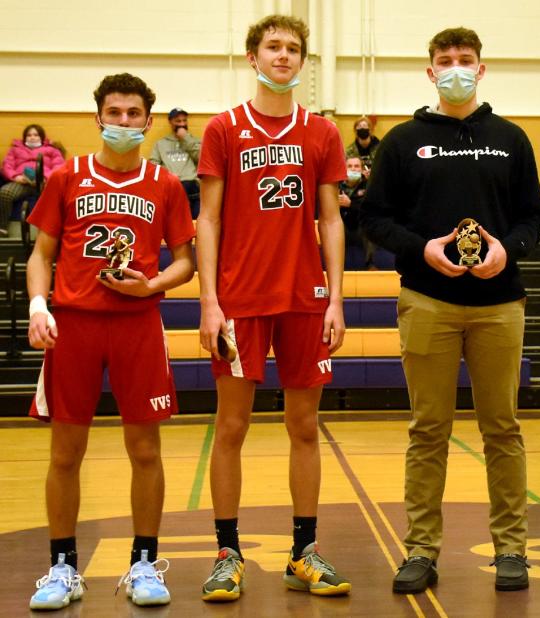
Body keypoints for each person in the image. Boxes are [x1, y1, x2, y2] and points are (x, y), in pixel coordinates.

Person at [360, 26, 540, 594]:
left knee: (503, 430)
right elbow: (374, 219)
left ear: (482, 69)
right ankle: (420, 551)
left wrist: (505, 251)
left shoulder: (511, 139)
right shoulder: (401, 141)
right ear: (431, 71)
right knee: (427, 431)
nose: (456, 68)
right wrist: (423, 250)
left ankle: (511, 548)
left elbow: (533, 219)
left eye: (466, 59)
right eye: (445, 60)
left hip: (498, 304)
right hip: (427, 301)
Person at [24, 73, 196, 610]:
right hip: (73, 324)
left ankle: (143, 563)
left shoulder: (164, 183)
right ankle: (62, 569)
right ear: (98, 115)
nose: (123, 121)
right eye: (114, 112)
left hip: (137, 326)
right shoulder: (67, 176)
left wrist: (154, 283)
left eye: (133, 113)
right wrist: (37, 306)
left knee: (145, 450)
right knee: (64, 453)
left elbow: (186, 261)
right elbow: (41, 254)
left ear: (148, 119)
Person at [195, 14, 349, 602]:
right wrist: (209, 302)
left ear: (303, 63)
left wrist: (336, 297)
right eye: (272, 47)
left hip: (305, 300)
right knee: (230, 427)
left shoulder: (322, 132)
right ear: (252, 57)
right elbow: (206, 220)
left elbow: (330, 219)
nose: (283, 56)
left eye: (292, 49)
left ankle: (303, 552)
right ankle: (227, 553)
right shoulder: (223, 128)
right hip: (239, 299)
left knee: (304, 426)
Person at [1, 124, 65, 235]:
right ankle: (2, 228)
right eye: (29, 135)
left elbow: (59, 166)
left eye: (35, 135)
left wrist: (45, 178)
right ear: (24, 137)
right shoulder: (14, 150)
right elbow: (7, 166)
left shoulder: (52, 150)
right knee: (4, 193)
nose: (32, 137)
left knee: (57, 196)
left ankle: (52, 231)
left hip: (44, 183)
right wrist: (16, 177)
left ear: (41, 137)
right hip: (21, 182)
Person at [150, 108, 201, 217]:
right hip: (172, 185)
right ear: (170, 122)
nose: (182, 124)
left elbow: (202, 159)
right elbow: (153, 165)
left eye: (184, 120)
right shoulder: (161, 144)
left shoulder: (195, 141)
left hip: (192, 186)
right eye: (178, 121)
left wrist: (185, 138)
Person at [338, 155, 377, 269]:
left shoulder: (369, 185)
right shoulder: (336, 186)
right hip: (343, 226)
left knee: (371, 224)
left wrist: (350, 204)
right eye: (349, 166)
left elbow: (370, 208)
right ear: (343, 169)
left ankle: (370, 264)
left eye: (356, 166)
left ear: (362, 170)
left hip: (361, 226)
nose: (353, 169)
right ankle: (338, 267)